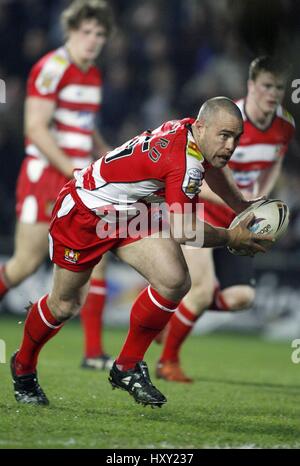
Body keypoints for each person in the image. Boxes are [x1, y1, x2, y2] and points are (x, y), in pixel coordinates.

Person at [10, 97, 274, 408]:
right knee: (65, 304)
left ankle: (126, 366)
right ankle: (23, 367)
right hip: (86, 211)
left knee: (174, 280)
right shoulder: (183, 160)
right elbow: (184, 230)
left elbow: (212, 171)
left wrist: (241, 206)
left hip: (131, 212)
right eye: (224, 136)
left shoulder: (192, 134)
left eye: (236, 137)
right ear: (202, 127)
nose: (230, 146)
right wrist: (232, 236)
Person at [156, 56, 296, 383]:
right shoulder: (226, 119)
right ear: (251, 85)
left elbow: (274, 159)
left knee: (241, 299)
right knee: (202, 291)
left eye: (278, 86)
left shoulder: (285, 124)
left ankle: (173, 310)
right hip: (204, 208)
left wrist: (260, 195)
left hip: (241, 216)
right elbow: (197, 173)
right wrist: (237, 203)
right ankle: (167, 362)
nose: (272, 93)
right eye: (265, 86)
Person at [0, 0, 115, 371]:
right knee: (24, 265)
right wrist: (73, 171)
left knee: (100, 258)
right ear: (69, 32)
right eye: (86, 32)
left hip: (78, 179)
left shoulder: (93, 73)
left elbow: (84, 125)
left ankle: (93, 353)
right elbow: (35, 128)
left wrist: (108, 155)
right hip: (47, 177)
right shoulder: (52, 68)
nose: (93, 40)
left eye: (100, 34)